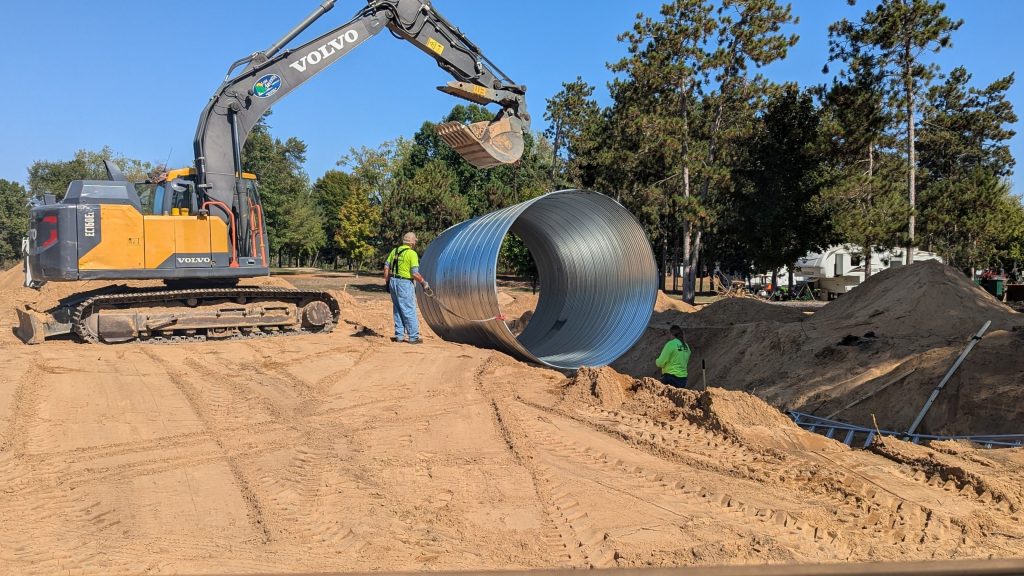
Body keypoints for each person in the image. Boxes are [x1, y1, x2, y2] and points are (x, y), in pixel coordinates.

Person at [383, 232, 430, 344]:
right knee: (409, 309)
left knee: (398, 308)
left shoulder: (395, 251)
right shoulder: (411, 254)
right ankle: (413, 337)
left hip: (393, 282)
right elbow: (414, 273)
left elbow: (386, 267)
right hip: (404, 283)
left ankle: (399, 336)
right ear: (412, 242)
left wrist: (387, 282)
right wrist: (423, 283)